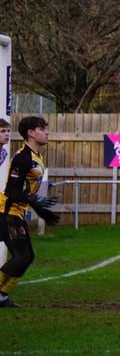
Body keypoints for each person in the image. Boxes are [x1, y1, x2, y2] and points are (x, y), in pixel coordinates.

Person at [0, 116, 60, 308]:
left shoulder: (36, 157)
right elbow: (12, 190)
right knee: (23, 256)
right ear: (31, 133)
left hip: (15, 212)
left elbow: (27, 192)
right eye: (42, 128)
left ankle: (2, 297)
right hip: (7, 212)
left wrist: (41, 212)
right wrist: (34, 200)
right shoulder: (23, 158)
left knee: (26, 256)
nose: (47, 132)